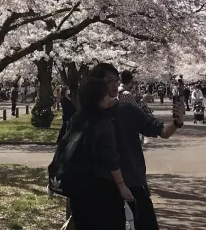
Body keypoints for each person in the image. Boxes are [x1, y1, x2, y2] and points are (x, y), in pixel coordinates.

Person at [91, 63, 184, 230]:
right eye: (109, 81)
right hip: (99, 188)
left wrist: (177, 122)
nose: (114, 84)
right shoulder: (86, 115)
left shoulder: (126, 110)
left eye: (116, 80)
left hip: (133, 183)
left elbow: (161, 131)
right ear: (96, 84)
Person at [62, 75, 131, 229]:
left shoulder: (77, 118)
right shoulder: (103, 123)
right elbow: (111, 158)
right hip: (101, 189)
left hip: (77, 187)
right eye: (105, 94)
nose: (110, 98)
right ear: (98, 97)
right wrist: (122, 186)